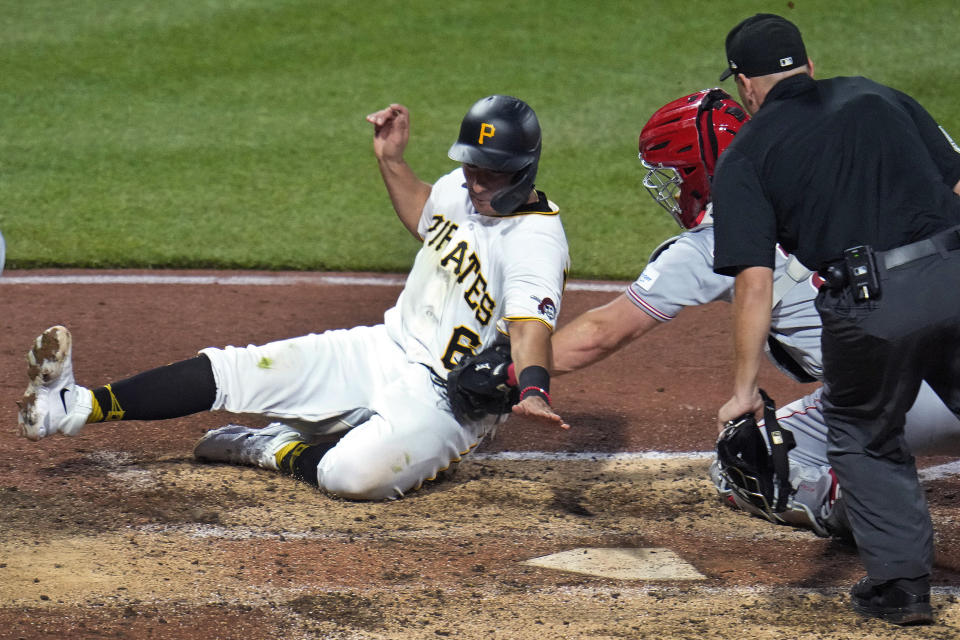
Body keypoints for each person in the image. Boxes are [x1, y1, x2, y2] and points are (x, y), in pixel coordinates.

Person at [17, 94, 571, 501]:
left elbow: (528, 329)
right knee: (238, 369)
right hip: (383, 347)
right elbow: (429, 215)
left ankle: (271, 448)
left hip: (444, 400)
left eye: (490, 175)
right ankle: (74, 407)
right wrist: (392, 162)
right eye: (470, 167)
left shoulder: (536, 241)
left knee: (353, 477)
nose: (475, 183)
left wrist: (535, 390)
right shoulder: (461, 188)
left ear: (524, 170)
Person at [535, 87, 960, 540]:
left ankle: (874, 516)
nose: (675, 187)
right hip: (949, 364)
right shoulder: (831, 194)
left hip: (901, 395)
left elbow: (602, 331)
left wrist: (518, 368)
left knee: (744, 463)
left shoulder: (713, 242)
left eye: (678, 174)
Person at [711, 13, 960, 625]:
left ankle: (901, 589)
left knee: (862, 436)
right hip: (956, 274)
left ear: (744, 84)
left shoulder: (745, 155)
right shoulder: (878, 94)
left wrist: (743, 390)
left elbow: (754, 282)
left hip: (872, 306)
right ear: (808, 64)